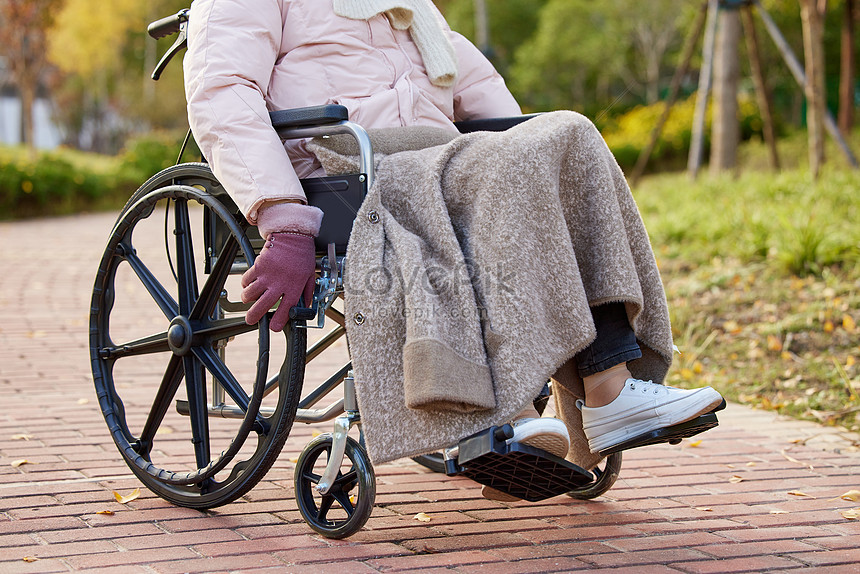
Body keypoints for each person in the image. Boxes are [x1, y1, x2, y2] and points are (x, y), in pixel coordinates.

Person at [184, 0, 723, 498]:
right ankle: (520, 407)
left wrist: (537, 159)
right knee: (528, 157)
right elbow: (221, 95)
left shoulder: (411, 6)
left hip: (443, 164)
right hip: (348, 168)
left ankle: (609, 389)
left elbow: (496, 107)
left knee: (567, 137)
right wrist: (284, 216)